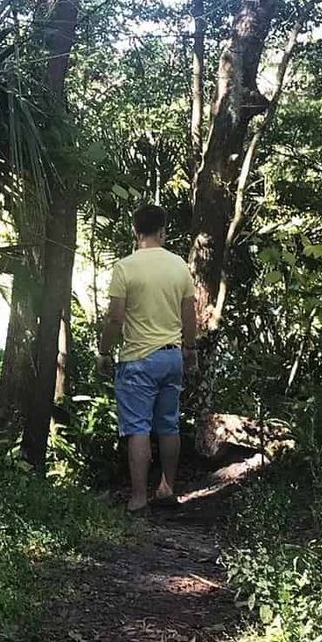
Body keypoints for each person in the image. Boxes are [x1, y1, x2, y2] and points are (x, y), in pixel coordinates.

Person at [97, 204, 198, 515]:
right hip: (171, 357)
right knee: (169, 425)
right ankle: (167, 487)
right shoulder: (179, 266)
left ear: (134, 230)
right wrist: (190, 350)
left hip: (137, 359)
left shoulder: (125, 268)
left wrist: (103, 351)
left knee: (137, 427)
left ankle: (139, 498)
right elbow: (189, 313)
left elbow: (115, 318)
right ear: (163, 230)